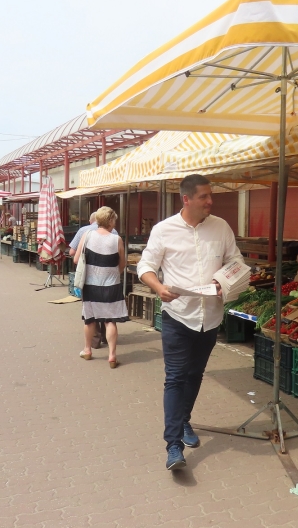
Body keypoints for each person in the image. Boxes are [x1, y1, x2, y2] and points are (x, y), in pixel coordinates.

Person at [137, 174, 244, 471]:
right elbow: (145, 265)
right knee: (175, 378)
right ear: (186, 199)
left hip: (210, 317)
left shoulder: (221, 227)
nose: (210, 201)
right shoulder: (164, 230)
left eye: (211, 195)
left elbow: (235, 261)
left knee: (195, 374)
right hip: (178, 315)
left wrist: (225, 280)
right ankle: (173, 446)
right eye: (204, 196)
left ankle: (184, 420)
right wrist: (158, 288)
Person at [75, 207, 127, 368]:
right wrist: (112, 273)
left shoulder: (87, 235)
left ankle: (87, 350)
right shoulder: (117, 239)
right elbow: (122, 264)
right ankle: (112, 356)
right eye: (114, 220)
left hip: (91, 286)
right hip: (111, 286)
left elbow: (76, 259)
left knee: (90, 320)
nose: (115, 223)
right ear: (110, 221)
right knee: (110, 321)